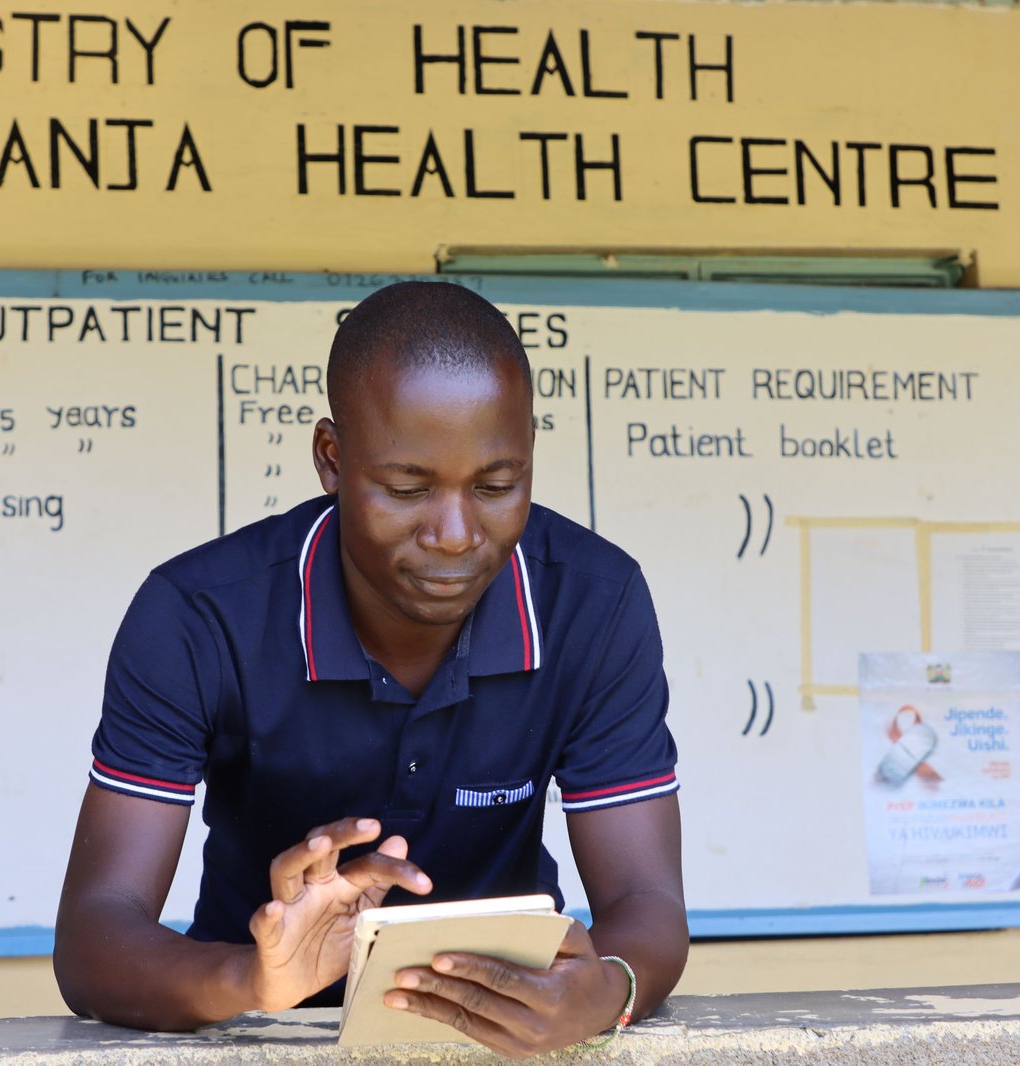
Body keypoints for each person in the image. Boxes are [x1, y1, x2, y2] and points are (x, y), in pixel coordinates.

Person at [54, 281, 688, 1057]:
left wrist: (604, 989)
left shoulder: (593, 602)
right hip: (256, 1041)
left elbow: (646, 901)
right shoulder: (198, 616)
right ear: (331, 458)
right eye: (406, 487)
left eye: (497, 485)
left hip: (508, 1047)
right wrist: (254, 981)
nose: (456, 534)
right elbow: (93, 940)